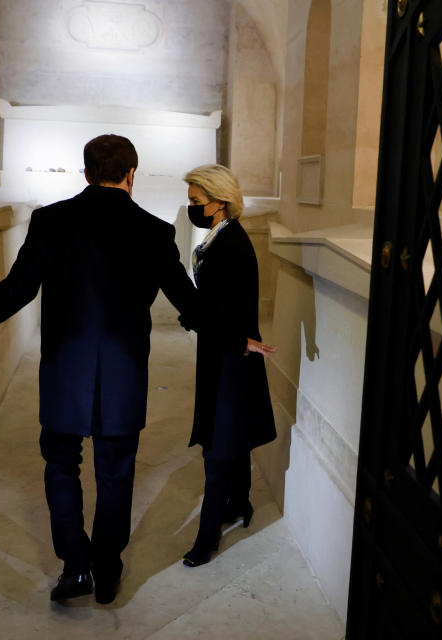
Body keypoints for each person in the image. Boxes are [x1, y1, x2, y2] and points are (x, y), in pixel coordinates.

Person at [0, 134, 200, 604]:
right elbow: (190, 304)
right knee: (116, 472)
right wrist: (238, 338)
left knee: (61, 466)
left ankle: (75, 568)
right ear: (132, 174)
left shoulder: (50, 221)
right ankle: (108, 570)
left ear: (85, 172)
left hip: (64, 371)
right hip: (123, 373)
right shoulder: (155, 232)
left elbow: (18, 288)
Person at [178, 164, 277, 567]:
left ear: (220, 203)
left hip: (230, 355)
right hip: (222, 351)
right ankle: (241, 504)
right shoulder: (221, 237)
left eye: (197, 202)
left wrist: (236, 340)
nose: (192, 208)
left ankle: (207, 537)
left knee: (218, 448)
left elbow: (230, 309)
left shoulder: (232, 244)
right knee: (229, 436)